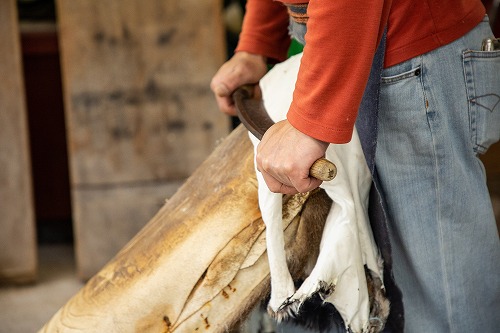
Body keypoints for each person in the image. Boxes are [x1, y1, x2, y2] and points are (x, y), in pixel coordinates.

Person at [211, 1, 500, 332]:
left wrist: (311, 121)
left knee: (441, 294)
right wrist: (258, 43)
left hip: (411, 53)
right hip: (349, 46)